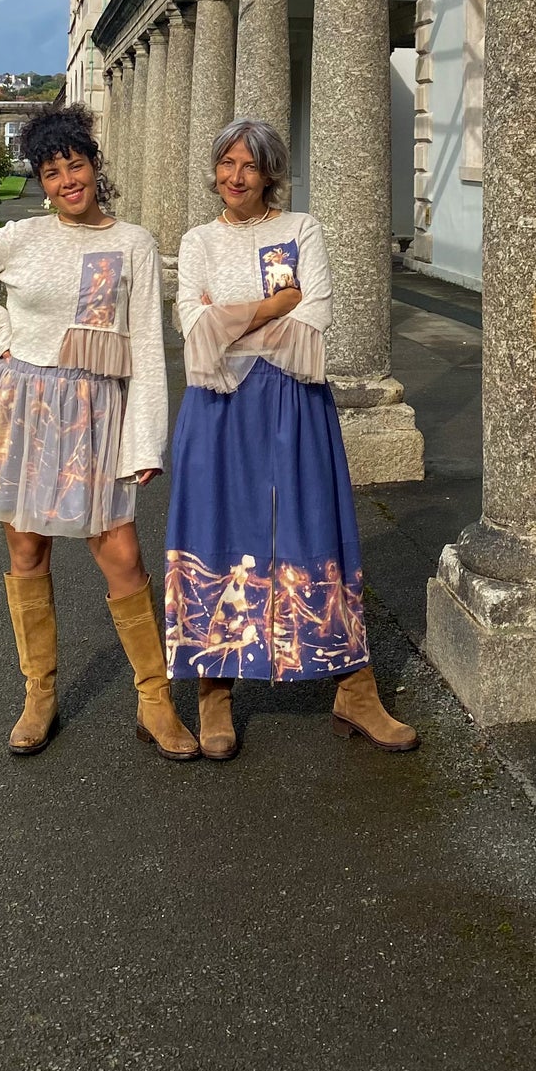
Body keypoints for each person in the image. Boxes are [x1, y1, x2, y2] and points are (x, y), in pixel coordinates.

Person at [0, 102, 198, 762]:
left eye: (74, 165)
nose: (66, 181)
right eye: (51, 172)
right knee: (27, 551)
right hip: (23, 409)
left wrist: (144, 441)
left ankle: (155, 700)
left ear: (94, 166)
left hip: (95, 414)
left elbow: (145, 347)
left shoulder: (132, 243)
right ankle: (38, 695)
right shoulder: (21, 237)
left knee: (121, 554)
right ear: (42, 182)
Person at [165, 118, 418, 760]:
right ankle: (214, 691)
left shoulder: (300, 230)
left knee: (314, 527)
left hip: (294, 401)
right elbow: (191, 327)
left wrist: (229, 323)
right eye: (227, 163)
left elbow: (316, 317)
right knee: (216, 529)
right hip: (218, 407)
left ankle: (355, 690)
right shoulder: (197, 241)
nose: (236, 176)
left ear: (270, 173)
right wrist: (273, 307)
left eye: (249, 165)